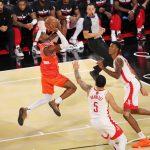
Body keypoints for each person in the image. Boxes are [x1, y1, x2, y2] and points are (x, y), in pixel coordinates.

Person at [18, 17, 77, 126]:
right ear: (41, 38)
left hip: (45, 75)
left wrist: (59, 27)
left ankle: (27, 110)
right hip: (52, 75)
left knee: (47, 97)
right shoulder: (47, 49)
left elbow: (57, 36)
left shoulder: (44, 44)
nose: (46, 33)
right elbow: (65, 44)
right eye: (44, 33)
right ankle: (56, 102)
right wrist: (58, 30)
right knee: (73, 88)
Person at [97, 41, 150, 148]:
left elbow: (117, 75)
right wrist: (141, 86)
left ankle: (144, 139)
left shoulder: (118, 60)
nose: (109, 47)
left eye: (112, 46)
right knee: (133, 110)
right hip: (130, 85)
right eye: (110, 46)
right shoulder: (120, 59)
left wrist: (103, 68)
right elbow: (133, 72)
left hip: (130, 85)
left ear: (117, 49)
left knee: (126, 114)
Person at [72, 61, 127, 150]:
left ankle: (116, 148)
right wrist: (125, 112)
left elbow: (79, 80)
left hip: (94, 122)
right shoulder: (107, 94)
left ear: (95, 82)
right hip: (105, 121)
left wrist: (76, 70)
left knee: (108, 137)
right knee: (123, 139)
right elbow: (116, 108)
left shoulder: (89, 89)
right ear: (104, 84)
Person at [83, 3, 112, 80]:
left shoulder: (96, 15)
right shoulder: (86, 20)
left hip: (99, 39)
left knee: (110, 56)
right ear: (86, 10)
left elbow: (95, 26)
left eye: (92, 9)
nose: (91, 11)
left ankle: (96, 70)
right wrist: (98, 33)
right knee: (110, 57)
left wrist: (101, 28)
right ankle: (96, 71)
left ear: (95, 9)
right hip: (93, 43)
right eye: (89, 9)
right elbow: (85, 35)